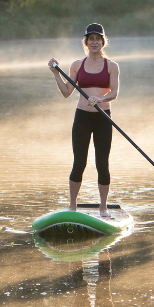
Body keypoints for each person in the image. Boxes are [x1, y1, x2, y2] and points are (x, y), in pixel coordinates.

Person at [48, 23, 120, 217]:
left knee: (102, 163)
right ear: (86, 42)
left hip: (103, 118)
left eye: (98, 39)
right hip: (82, 118)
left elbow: (114, 93)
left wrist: (101, 98)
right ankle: (72, 205)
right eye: (91, 39)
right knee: (79, 162)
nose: (94, 42)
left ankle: (103, 207)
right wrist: (56, 74)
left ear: (103, 42)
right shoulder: (77, 65)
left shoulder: (112, 66)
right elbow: (66, 92)